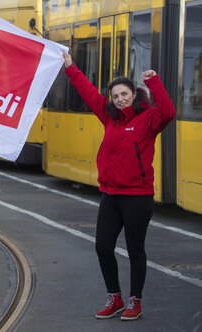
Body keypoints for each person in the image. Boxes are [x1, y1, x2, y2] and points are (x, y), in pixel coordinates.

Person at [62, 53, 175, 321]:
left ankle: (135, 301)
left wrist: (155, 82)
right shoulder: (109, 116)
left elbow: (169, 112)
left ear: (134, 95)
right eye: (115, 95)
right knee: (102, 247)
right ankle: (115, 298)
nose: (120, 99)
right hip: (110, 195)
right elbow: (88, 92)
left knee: (135, 250)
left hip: (138, 196)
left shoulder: (148, 119)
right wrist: (70, 67)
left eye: (124, 94)